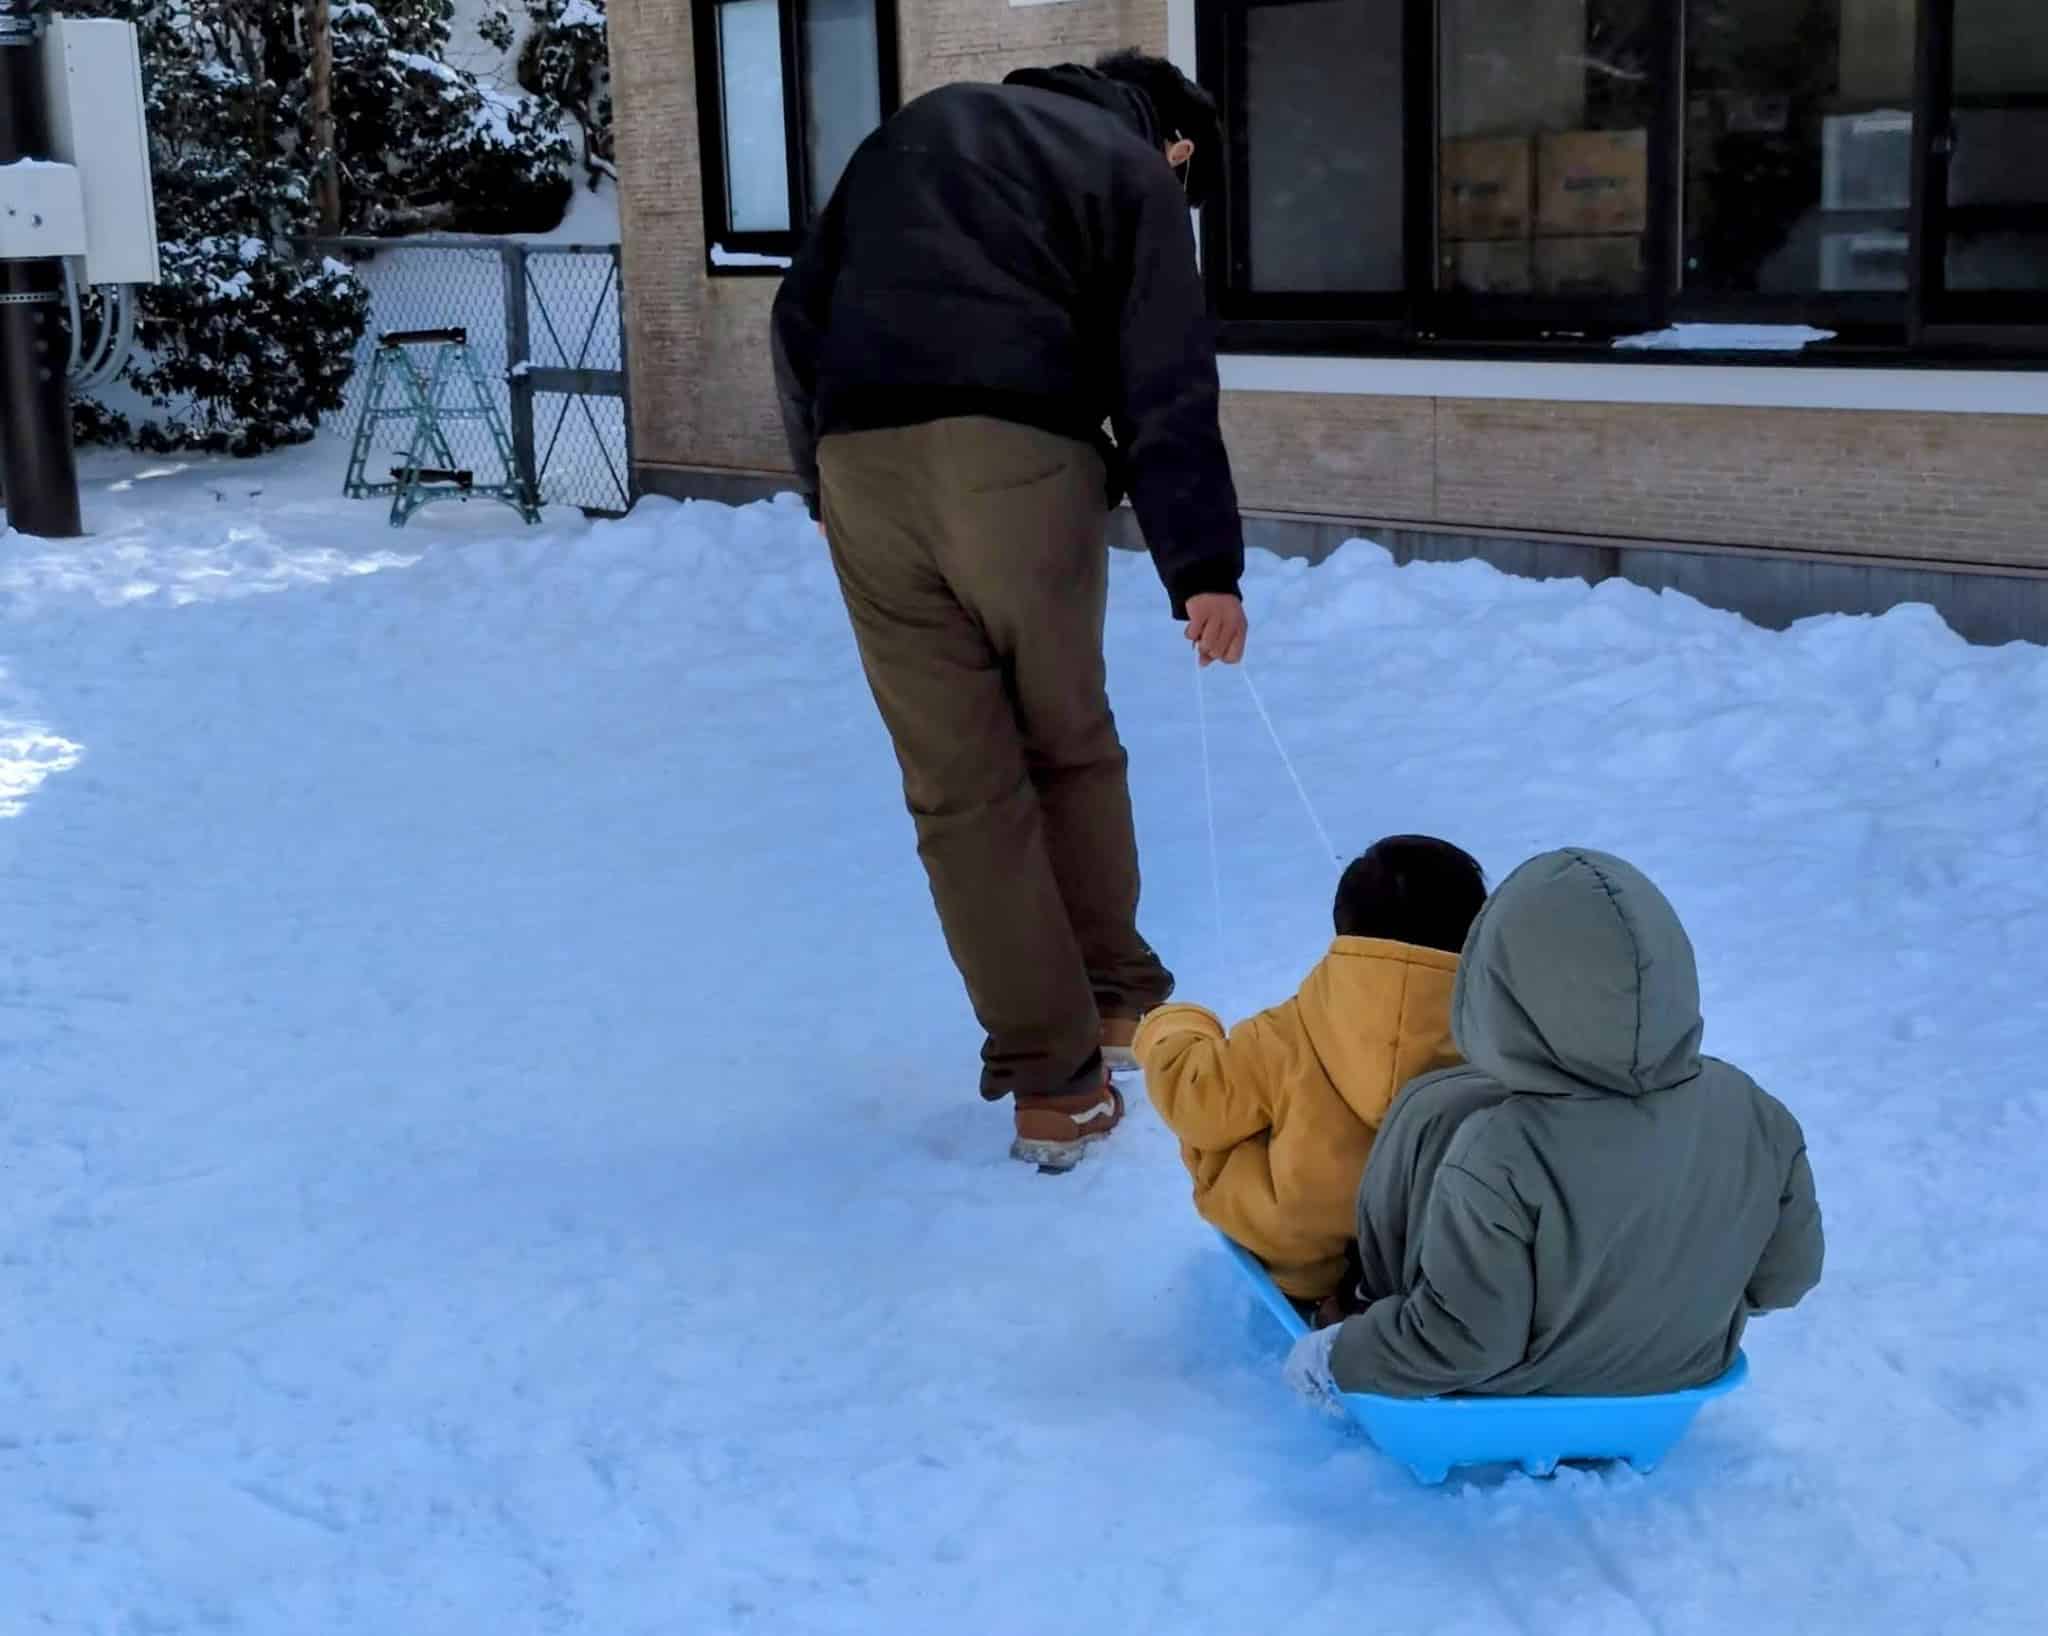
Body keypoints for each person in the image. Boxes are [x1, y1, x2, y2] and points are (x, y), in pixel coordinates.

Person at [771, 51, 1249, 1168]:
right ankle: (1118, 1000)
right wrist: (1204, 568)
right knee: (1066, 744)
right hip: (1018, 463)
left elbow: (797, 316)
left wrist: (821, 484)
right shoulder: (1129, 167)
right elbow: (1165, 378)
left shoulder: (912, 132)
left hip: (862, 468)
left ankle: (1053, 1088)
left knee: (959, 791)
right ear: (1176, 145)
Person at [1287, 848, 1825, 1400]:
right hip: (1685, 1369)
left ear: (1500, 988)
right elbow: (1786, 1279)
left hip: (1511, 1399)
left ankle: (1363, 1304)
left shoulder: (1497, 1148)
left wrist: (1339, 1357)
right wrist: (1674, 1310)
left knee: (1435, 1108)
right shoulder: (1757, 1114)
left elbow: (1464, 1343)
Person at [1135, 837, 1486, 1302]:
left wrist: (1174, 1025)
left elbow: (1196, 1099)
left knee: (1226, 1122)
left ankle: (1316, 1283)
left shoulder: (1284, 1032)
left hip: (1298, 1255)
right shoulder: (1496, 1034)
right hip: (1433, 1256)